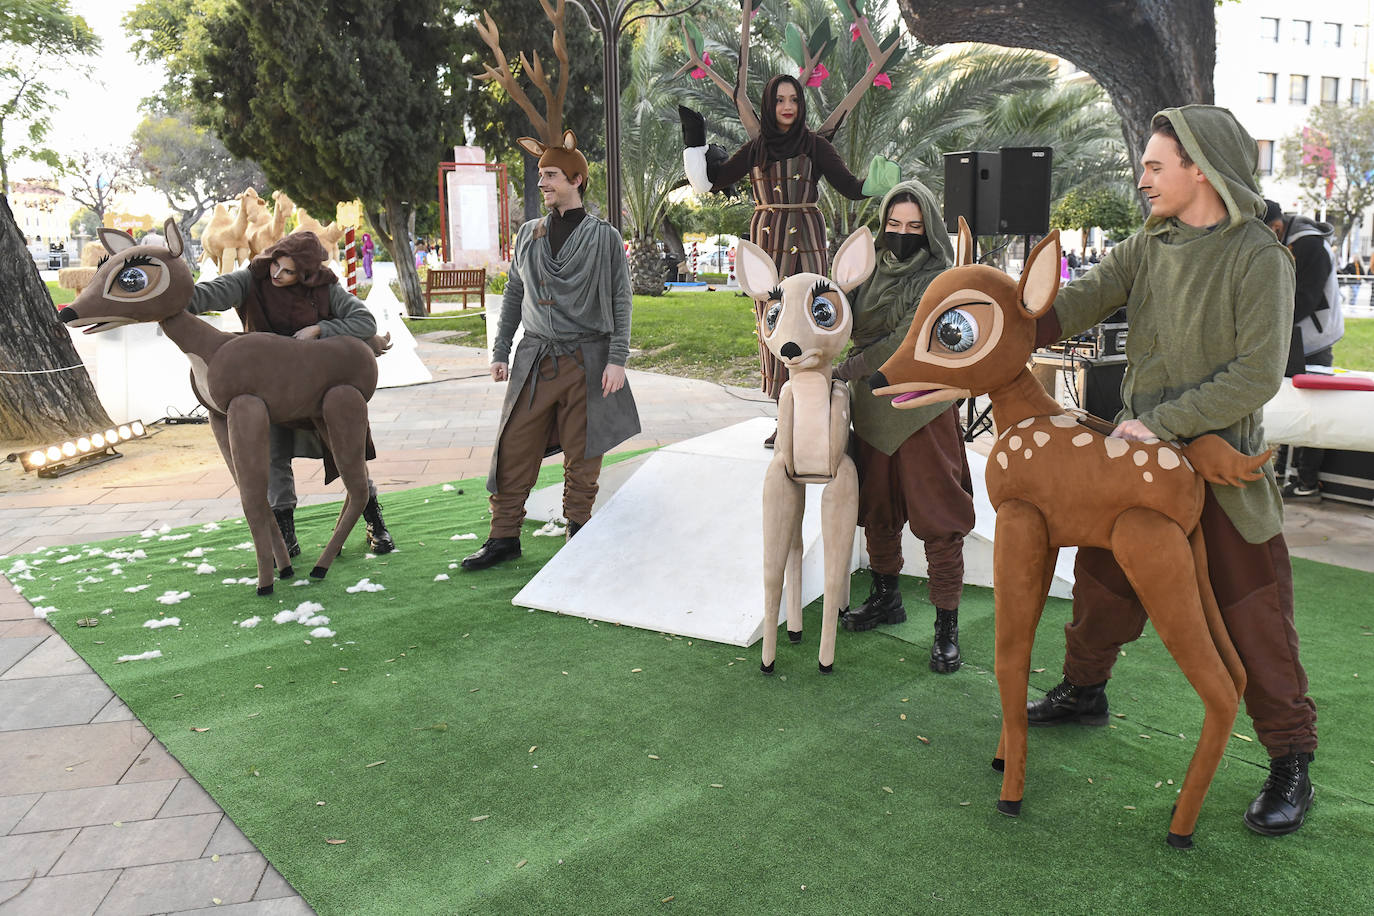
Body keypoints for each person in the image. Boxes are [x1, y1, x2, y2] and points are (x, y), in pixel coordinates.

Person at [1029, 106, 1316, 837]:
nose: (1143, 180)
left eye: (1156, 167)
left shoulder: (1259, 256)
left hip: (1220, 473)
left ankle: (1291, 758)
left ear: (1201, 169)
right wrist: (1006, 319)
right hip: (1136, 467)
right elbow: (1078, 302)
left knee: (1254, 615)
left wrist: (1162, 423)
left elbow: (1257, 375)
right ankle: (1084, 690)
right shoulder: (1148, 244)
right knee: (1101, 584)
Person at [461, 131, 640, 571]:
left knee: (584, 452)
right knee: (513, 446)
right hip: (535, 357)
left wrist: (617, 358)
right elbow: (514, 295)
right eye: (541, 174)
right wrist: (500, 349)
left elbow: (621, 298)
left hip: (589, 359)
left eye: (552, 175)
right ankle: (503, 536)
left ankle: (578, 529)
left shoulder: (604, 238)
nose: (542, 182)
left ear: (576, 180)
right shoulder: (528, 234)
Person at [681, 74, 894, 444]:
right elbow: (717, 179)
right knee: (777, 322)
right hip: (769, 239)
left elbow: (848, 185)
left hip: (808, 235)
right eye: (780, 100)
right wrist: (694, 141)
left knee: (814, 318)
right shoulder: (756, 148)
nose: (787, 107)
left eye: (794, 99)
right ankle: (786, 416)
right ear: (769, 104)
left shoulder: (815, 146)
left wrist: (872, 185)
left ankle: (818, 413)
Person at [831, 180, 975, 672]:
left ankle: (946, 625)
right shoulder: (866, 267)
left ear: (929, 229)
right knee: (878, 507)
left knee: (939, 517)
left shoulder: (939, 279)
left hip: (922, 409)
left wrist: (844, 369)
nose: (902, 234)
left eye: (914, 226)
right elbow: (837, 314)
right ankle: (886, 597)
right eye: (894, 224)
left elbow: (904, 339)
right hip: (872, 408)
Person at [186, 231, 396, 556]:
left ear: (306, 273)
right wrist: (171, 296)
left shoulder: (325, 288)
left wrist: (321, 329)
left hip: (319, 387)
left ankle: (373, 520)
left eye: (288, 271)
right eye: (276, 265)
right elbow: (209, 294)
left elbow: (363, 321)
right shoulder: (252, 279)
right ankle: (284, 534)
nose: (277, 274)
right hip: (264, 388)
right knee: (272, 457)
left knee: (348, 454)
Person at [1263, 199, 1344, 500]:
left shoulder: (1309, 245)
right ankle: (1285, 469)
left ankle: (1307, 480)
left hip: (1314, 340)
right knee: (1291, 403)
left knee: (1312, 409)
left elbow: (1303, 299)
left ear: (1277, 227)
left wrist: (1264, 322)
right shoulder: (1291, 241)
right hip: (1294, 337)